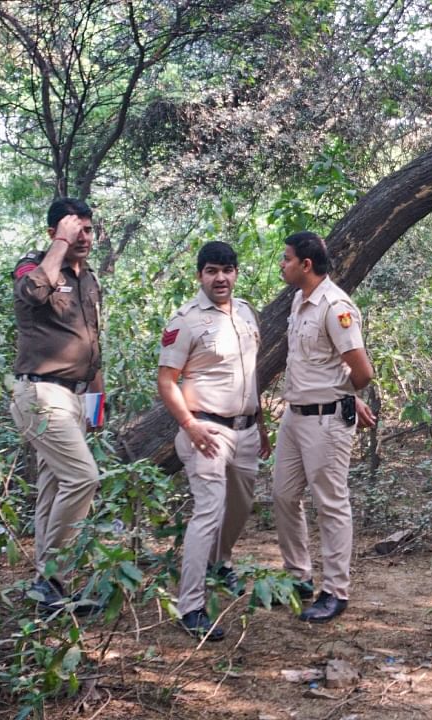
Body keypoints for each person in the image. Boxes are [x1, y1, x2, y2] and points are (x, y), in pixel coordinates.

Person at [157, 241, 271, 641]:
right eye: (211, 271)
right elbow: (166, 381)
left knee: (240, 508)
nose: (220, 278)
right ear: (200, 275)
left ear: (236, 272)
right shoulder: (185, 321)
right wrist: (189, 425)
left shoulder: (244, 312)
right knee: (208, 512)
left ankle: (218, 564)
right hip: (206, 430)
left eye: (227, 270)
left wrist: (261, 425)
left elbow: (250, 375)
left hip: (245, 429)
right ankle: (190, 607)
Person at [272, 231, 376, 624]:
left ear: (306, 265)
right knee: (283, 496)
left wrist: (345, 395)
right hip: (295, 417)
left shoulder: (336, 307)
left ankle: (335, 590)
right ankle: (298, 578)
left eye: (286, 259)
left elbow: (362, 370)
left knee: (330, 503)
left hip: (327, 420)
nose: (282, 265)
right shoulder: (299, 301)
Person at [10, 197, 104, 614]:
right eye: (74, 229)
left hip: (75, 395)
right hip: (40, 393)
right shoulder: (35, 266)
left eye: (87, 229)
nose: (83, 237)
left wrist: (97, 407)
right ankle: (52, 579)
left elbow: (93, 345)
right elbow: (33, 294)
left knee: (55, 486)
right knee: (83, 478)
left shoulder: (89, 279)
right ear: (54, 233)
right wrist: (59, 247)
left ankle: (48, 587)